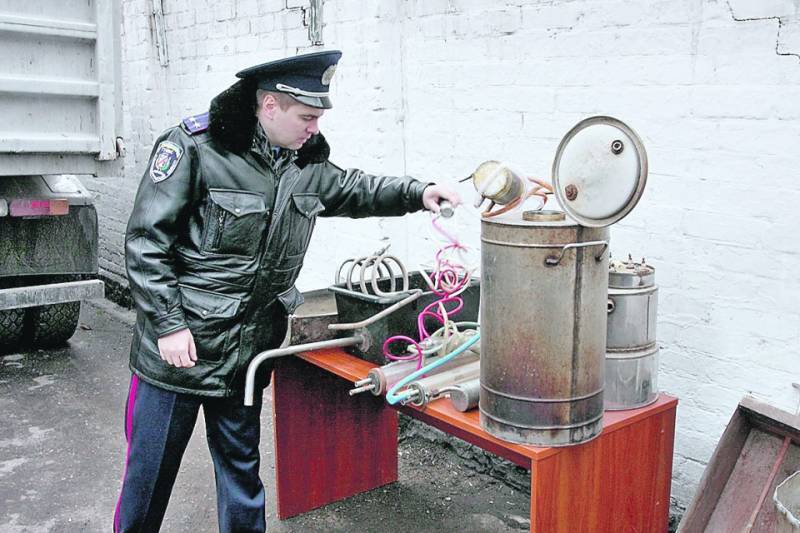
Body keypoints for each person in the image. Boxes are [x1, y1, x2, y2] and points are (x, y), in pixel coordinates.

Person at [114, 50, 461, 532]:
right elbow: (146, 243)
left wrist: (419, 193)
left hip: (248, 352)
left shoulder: (304, 163)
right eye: (307, 117)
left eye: (318, 118)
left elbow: (357, 189)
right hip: (180, 351)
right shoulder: (195, 148)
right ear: (270, 105)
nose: (314, 129)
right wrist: (169, 325)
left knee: (242, 475)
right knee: (149, 478)